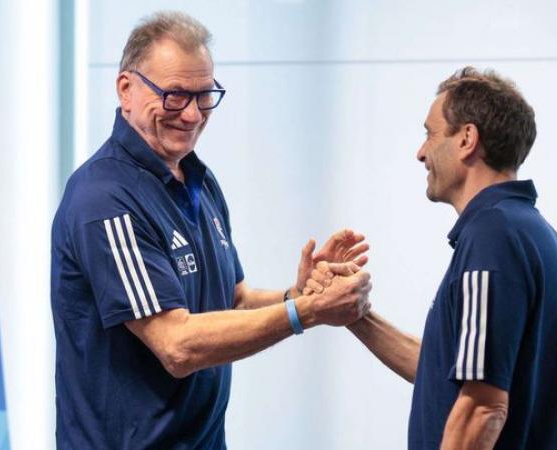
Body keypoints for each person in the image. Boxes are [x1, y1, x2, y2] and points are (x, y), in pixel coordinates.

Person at [50, 11, 371, 449]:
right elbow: (176, 345)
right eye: (175, 95)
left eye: (205, 96)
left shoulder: (198, 179)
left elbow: (234, 301)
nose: (192, 114)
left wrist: (300, 296)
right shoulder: (103, 198)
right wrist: (307, 314)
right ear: (126, 89)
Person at [306, 67, 557, 449]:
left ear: (467, 138)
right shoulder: (530, 233)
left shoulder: (493, 236)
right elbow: (443, 370)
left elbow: (483, 408)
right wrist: (353, 314)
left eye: (430, 134)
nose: (421, 153)